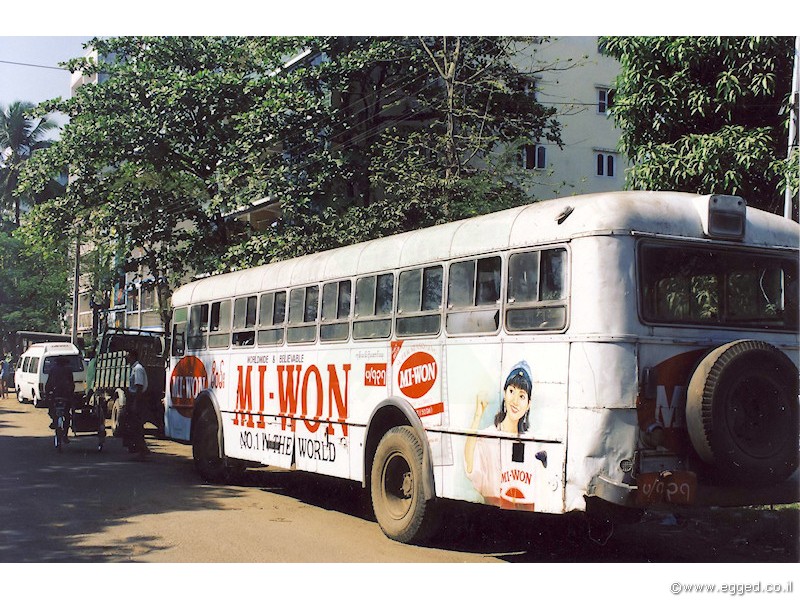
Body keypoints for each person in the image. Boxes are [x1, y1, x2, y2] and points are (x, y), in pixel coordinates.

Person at [464, 360, 534, 506]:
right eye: (511, 391)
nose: (515, 401)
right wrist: (477, 416)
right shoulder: (489, 436)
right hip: (493, 513)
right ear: (504, 393)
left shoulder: (531, 442)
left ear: (528, 404)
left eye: (522, 396)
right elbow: (470, 467)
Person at [122, 349, 149, 457]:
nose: (126, 358)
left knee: (136, 426)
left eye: (128, 355)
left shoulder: (137, 369)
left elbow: (139, 386)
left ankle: (142, 449)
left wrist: (135, 403)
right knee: (133, 426)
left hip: (136, 399)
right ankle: (138, 448)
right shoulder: (133, 369)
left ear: (132, 356)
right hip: (133, 398)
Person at [45, 356, 75, 437]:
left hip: (55, 394)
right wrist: (71, 394)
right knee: (67, 415)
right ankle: (65, 434)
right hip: (66, 395)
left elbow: (48, 383)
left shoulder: (53, 369)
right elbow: (71, 383)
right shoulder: (68, 370)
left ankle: (54, 421)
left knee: (52, 410)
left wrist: (47, 394)